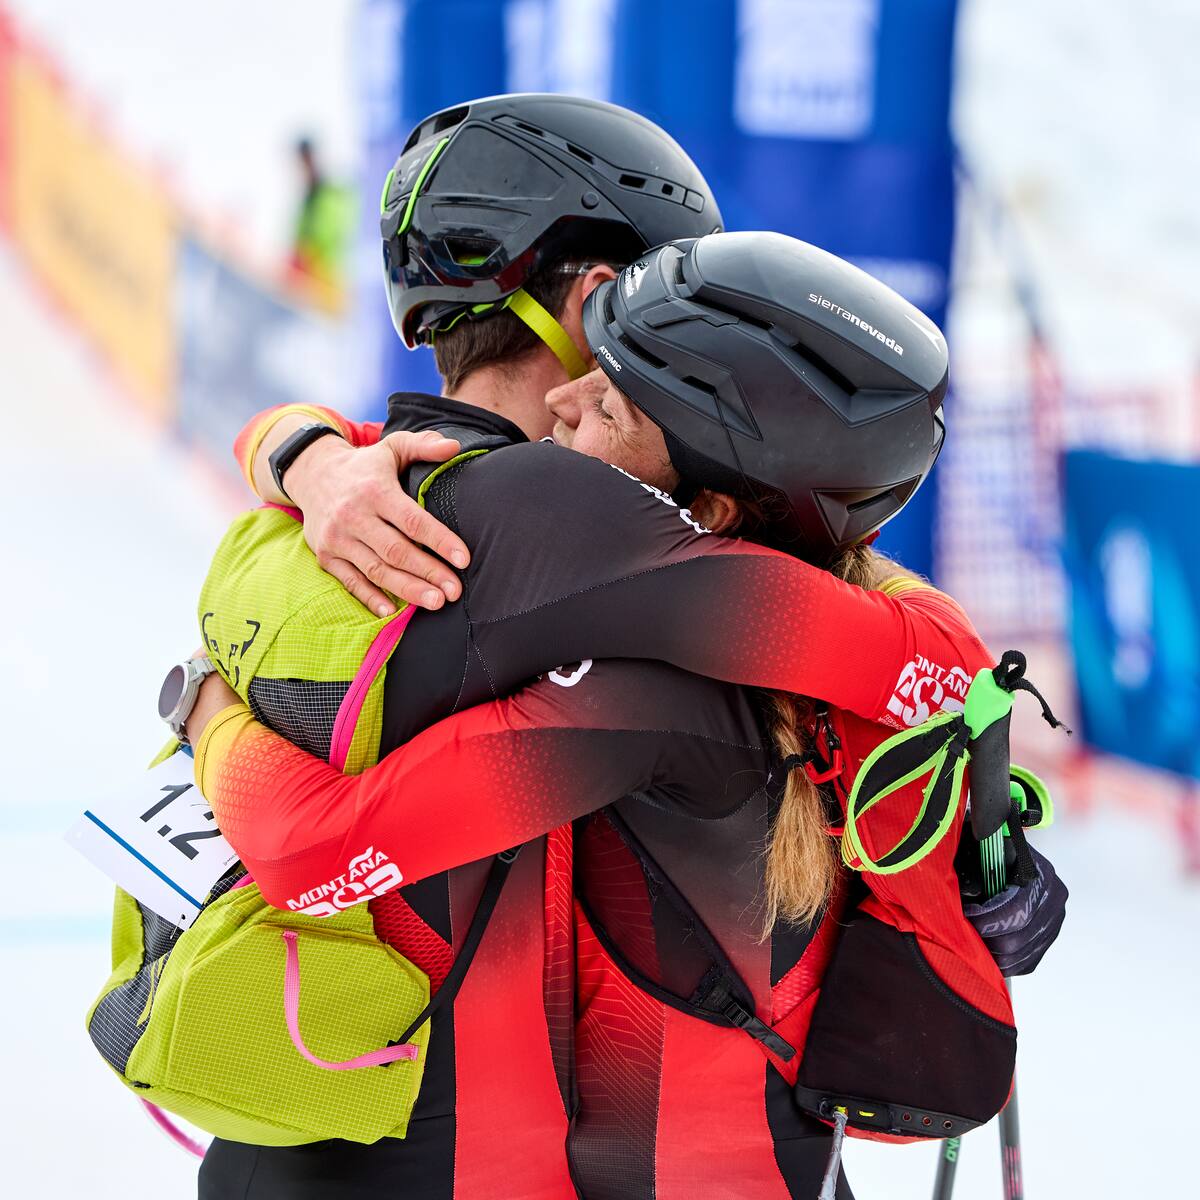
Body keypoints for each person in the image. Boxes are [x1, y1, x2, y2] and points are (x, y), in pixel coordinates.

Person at [185, 234, 1067, 1198]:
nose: (560, 400)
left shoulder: (646, 692)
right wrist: (308, 455)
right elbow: (943, 668)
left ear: (712, 512)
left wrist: (206, 708)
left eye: (607, 402)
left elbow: (310, 852)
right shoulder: (857, 605)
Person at [191, 92, 726, 1200]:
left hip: (287, 1144)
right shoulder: (580, 533)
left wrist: (293, 449)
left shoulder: (300, 522)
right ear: (596, 303)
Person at [286, 136, 355, 301]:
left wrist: (307, 257)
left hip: (326, 287)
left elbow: (333, 238)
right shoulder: (307, 198)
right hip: (304, 284)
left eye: (306, 160)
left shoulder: (332, 196)